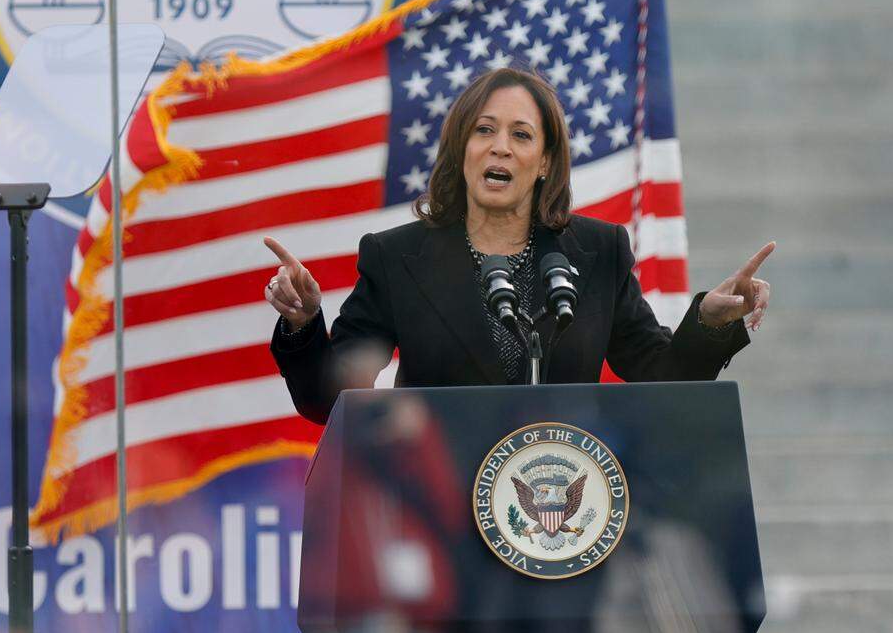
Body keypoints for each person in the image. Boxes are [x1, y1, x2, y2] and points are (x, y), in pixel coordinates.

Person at [263, 68, 773, 425]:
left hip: (566, 512)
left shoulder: (599, 252)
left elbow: (660, 376)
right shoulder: (396, 258)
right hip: (444, 518)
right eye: (484, 130)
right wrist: (303, 324)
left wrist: (709, 322)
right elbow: (329, 399)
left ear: (545, 161)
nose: (500, 146)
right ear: (462, 149)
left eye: (521, 135)